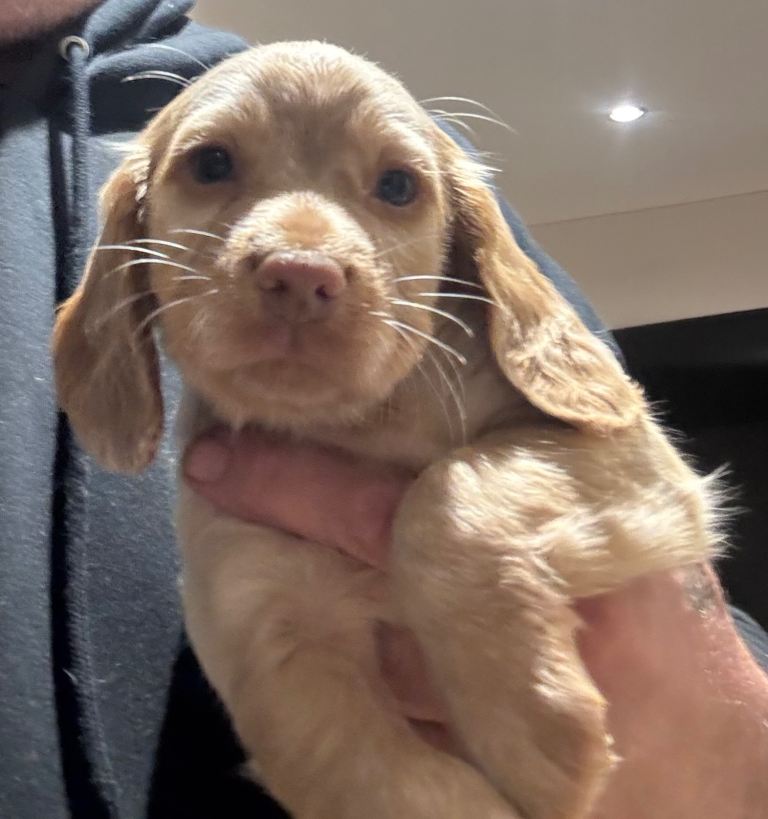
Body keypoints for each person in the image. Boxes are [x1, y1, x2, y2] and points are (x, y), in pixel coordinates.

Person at [1, 1, 766, 817]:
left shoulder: (470, 308)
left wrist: (721, 749)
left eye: (396, 187)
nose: (301, 264)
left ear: (459, 248)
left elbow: (625, 454)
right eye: (214, 167)